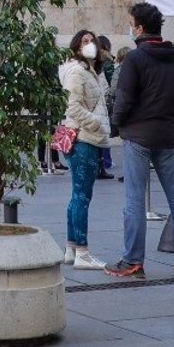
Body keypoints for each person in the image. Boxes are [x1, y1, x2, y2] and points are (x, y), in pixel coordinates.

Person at [104, 2, 174, 279]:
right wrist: (170, 117)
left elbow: (124, 99)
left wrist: (118, 123)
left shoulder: (136, 59)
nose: (131, 28)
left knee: (134, 199)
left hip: (137, 135)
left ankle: (133, 259)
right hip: (164, 135)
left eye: (132, 23)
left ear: (140, 28)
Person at [58, 29, 109, 270]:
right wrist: (95, 123)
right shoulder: (77, 72)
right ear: (76, 47)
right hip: (83, 138)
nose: (89, 45)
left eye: (92, 41)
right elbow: (73, 107)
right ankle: (83, 252)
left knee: (77, 195)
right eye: (84, 41)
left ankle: (71, 247)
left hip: (86, 137)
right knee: (82, 197)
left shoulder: (91, 71)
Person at [95, 35, 118, 180]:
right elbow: (111, 83)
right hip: (105, 101)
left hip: (97, 101)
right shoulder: (108, 62)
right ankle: (105, 162)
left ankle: (102, 163)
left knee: (100, 133)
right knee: (104, 132)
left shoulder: (94, 61)